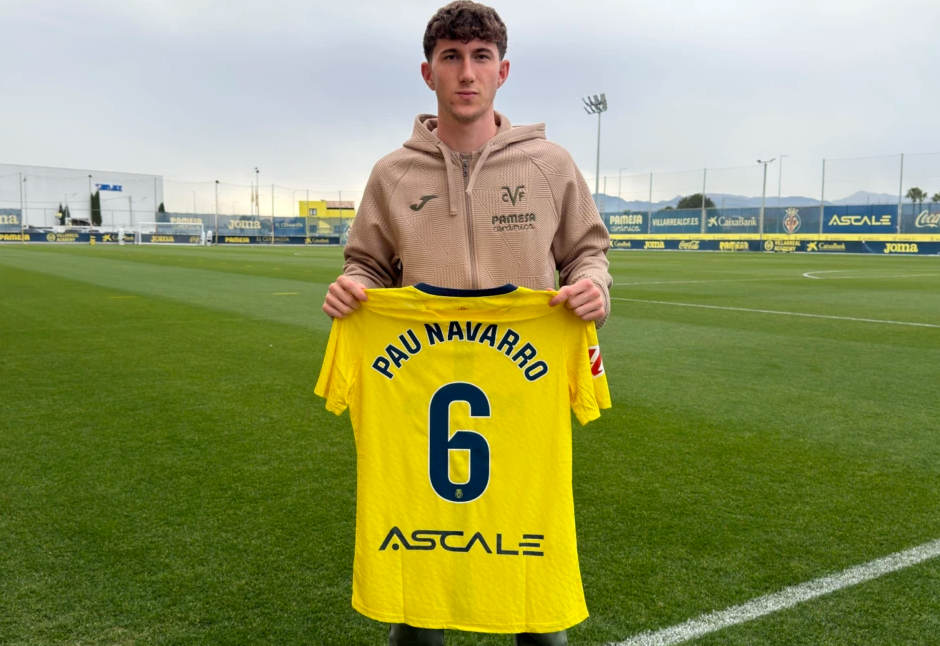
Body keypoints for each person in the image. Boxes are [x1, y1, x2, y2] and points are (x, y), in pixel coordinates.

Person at [321, 2, 612, 644]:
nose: (466, 72)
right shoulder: (392, 175)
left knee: (536, 596)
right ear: (428, 72)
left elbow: (587, 250)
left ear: (503, 71)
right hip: (417, 402)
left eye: (480, 57)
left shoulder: (550, 165)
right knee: (420, 606)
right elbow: (366, 262)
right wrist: (355, 288)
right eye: (451, 56)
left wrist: (591, 286)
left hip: (521, 397)